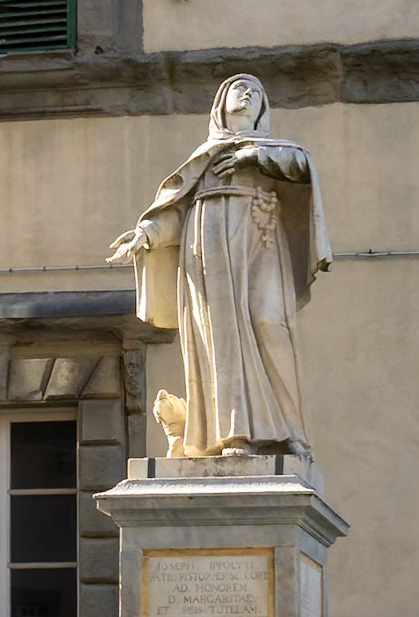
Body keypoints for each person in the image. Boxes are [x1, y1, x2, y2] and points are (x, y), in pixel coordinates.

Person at [106, 73, 331, 458]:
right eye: (237, 89)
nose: (246, 95)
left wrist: (254, 155)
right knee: (219, 337)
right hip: (205, 245)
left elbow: (300, 164)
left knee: (269, 321)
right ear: (220, 104)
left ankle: (291, 431)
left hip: (259, 239)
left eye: (255, 92)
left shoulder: (276, 151)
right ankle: (234, 434)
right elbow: (177, 209)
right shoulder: (205, 156)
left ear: (263, 108)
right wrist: (147, 234)